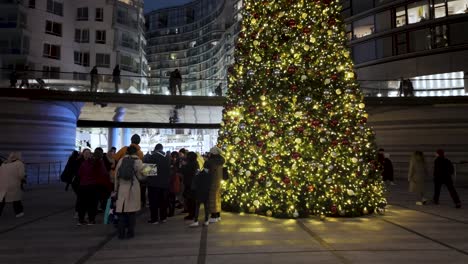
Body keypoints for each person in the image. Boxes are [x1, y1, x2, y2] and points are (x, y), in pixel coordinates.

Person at [114, 146, 145, 239]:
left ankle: (121, 233)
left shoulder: (121, 160)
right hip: (133, 188)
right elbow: (142, 175)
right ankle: (130, 232)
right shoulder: (138, 161)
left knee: (121, 212)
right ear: (136, 153)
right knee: (131, 212)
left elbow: (116, 176)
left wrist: (115, 189)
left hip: (122, 188)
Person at [77, 148, 108, 225]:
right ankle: (91, 220)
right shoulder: (98, 163)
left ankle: (81, 220)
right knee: (92, 204)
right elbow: (103, 173)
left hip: (83, 186)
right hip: (93, 186)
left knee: (82, 204)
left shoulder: (84, 163)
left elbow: (79, 173)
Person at [114, 134, 145, 206]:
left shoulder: (124, 149)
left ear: (131, 140)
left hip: (122, 179)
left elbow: (115, 158)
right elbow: (141, 170)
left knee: (122, 200)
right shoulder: (140, 153)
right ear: (139, 142)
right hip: (134, 180)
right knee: (132, 200)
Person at [144, 143, 171, 224]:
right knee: (163, 201)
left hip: (153, 184)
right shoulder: (167, 157)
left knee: (154, 202)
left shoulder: (152, 157)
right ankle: (163, 218)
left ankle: (154, 219)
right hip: (165, 184)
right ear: (162, 149)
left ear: (155, 149)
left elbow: (147, 172)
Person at [0, 152, 25, 218]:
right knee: (16, 199)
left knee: (2, 199)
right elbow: (21, 175)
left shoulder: (4, 163)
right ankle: (19, 212)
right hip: (14, 184)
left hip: (3, 184)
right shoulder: (19, 163)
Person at [206, 146, 225, 223]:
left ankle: (214, 216)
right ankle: (218, 215)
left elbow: (206, 169)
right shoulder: (221, 160)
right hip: (219, 181)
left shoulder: (211, 161)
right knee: (217, 198)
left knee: (212, 198)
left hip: (212, 181)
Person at [181, 152, 199, 220]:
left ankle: (191, 214)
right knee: (191, 200)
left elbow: (184, 171)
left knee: (190, 200)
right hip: (192, 184)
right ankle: (192, 214)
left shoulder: (190, 164)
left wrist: (183, 165)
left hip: (190, 184)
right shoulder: (195, 163)